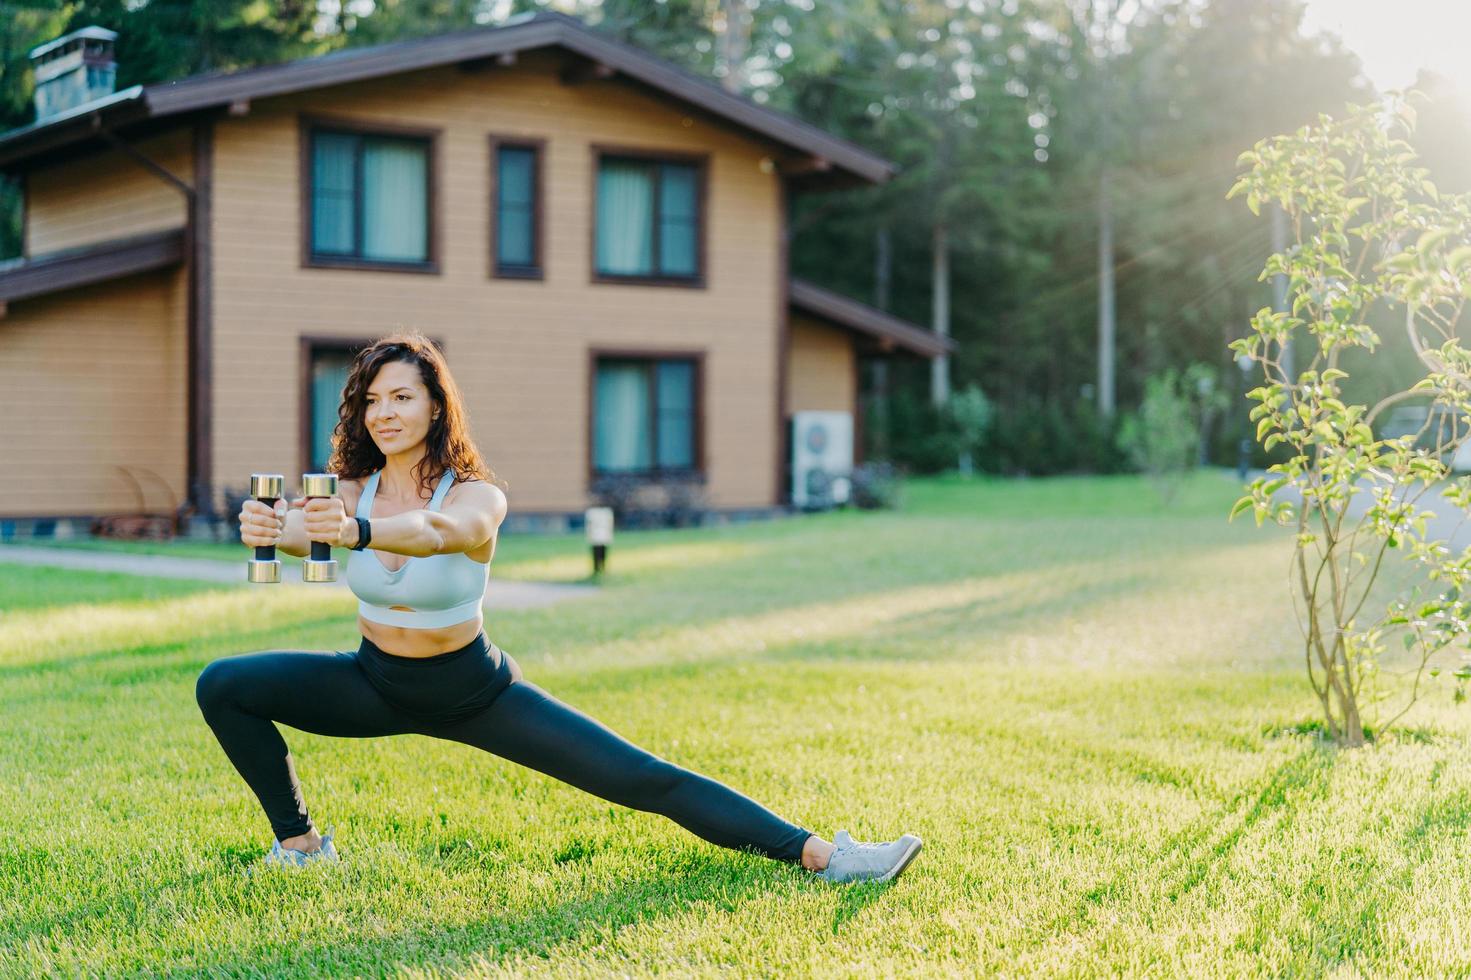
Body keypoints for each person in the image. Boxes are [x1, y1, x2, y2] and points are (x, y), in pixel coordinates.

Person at [196, 332, 922, 884]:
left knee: (643, 778)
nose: (383, 413)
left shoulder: (476, 495)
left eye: (401, 397)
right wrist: (271, 528)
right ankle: (299, 846)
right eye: (370, 400)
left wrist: (352, 531)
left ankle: (825, 856)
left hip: (476, 692)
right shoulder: (347, 489)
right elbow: (302, 529)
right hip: (375, 682)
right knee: (225, 684)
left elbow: (438, 534)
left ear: (435, 404)